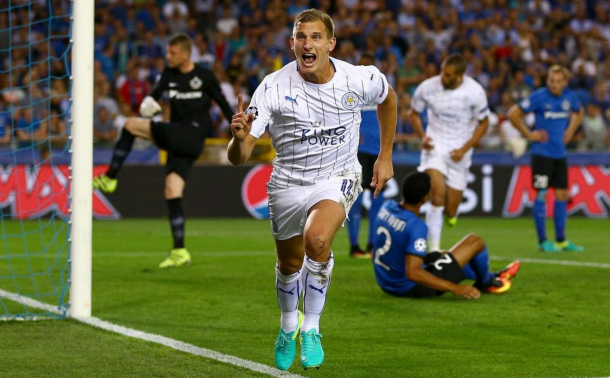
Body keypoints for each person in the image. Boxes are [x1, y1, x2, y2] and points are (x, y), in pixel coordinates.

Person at [228, 9, 396, 371]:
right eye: (301, 37)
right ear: (292, 44)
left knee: (317, 241)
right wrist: (239, 138)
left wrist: (385, 156)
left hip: (337, 176)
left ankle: (312, 328)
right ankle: (288, 326)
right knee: (289, 264)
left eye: (316, 37)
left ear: (330, 44)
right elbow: (237, 157)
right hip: (288, 181)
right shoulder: (273, 87)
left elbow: (389, 98)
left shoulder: (358, 78)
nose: (308, 44)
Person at [93, 33, 234, 268]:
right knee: (172, 189)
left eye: (173, 53)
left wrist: (238, 130)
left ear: (186, 54)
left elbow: (223, 105)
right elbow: (155, 95)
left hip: (192, 134)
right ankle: (180, 250)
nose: (168, 57)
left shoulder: (205, 76)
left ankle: (110, 178)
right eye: (168, 52)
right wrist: (149, 101)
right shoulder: (169, 75)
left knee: (129, 125)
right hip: (179, 139)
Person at [372, 171, 520, 299]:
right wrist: (454, 288)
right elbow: (413, 273)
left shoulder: (387, 207)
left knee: (443, 255)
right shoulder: (416, 227)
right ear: (425, 198)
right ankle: (486, 283)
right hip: (410, 287)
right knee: (475, 242)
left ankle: (491, 277)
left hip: (387, 281)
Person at [409, 54, 490, 252]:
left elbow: (484, 122)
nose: (442, 77)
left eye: (448, 75)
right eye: (442, 72)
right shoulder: (428, 87)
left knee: (450, 208)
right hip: (435, 147)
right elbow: (413, 113)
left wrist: (464, 149)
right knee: (436, 197)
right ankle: (433, 250)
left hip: (460, 153)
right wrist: (423, 137)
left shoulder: (475, 92)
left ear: (460, 76)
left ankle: (451, 215)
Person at [507, 65, 584, 252]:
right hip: (542, 154)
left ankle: (561, 240)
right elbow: (513, 114)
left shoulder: (569, 97)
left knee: (562, 194)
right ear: (547, 80)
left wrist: (571, 130)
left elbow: (579, 111)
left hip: (560, 154)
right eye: (551, 81)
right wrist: (529, 134)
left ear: (564, 82)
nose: (554, 85)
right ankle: (543, 241)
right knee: (541, 193)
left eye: (558, 82)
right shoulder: (539, 97)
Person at [346, 53, 386, 259]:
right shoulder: (351, 90)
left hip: (378, 154)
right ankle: (355, 247)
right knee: (356, 200)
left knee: (377, 200)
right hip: (359, 153)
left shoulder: (381, 88)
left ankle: (372, 245)